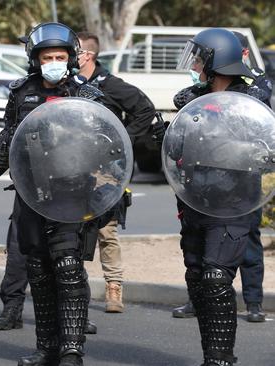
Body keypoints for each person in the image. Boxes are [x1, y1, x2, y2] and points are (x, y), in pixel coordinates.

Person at [0, 22, 114, 366]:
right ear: (36, 59)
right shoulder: (21, 91)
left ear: (70, 58)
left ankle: (72, 350)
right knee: (39, 270)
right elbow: (9, 132)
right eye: (48, 57)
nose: (54, 62)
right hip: (31, 193)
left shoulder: (86, 94)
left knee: (69, 267)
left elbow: (106, 143)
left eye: (60, 56)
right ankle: (47, 348)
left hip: (72, 194)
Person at [154, 27, 272, 366]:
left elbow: (261, 150)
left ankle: (221, 360)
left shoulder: (254, 102)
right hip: (194, 202)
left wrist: (217, 144)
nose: (194, 64)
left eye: (199, 57)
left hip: (233, 204)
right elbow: (179, 149)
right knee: (198, 279)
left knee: (217, 278)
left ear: (215, 61)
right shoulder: (191, 99)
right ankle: (211, 355)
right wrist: (164, 137)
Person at [76, 31, 155, 313]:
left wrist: (120, 139)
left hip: (105, 170)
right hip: (71, 169)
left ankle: (113, 286)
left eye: (74, 51)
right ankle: (74, 289)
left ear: (87, 56)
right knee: (70, 232)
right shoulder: (67, 84)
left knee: (106, 231)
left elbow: (145, 111)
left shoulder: (110, 85)